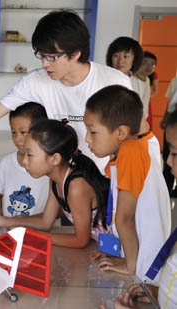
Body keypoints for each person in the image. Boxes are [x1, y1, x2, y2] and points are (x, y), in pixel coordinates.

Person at [0, 10, 135, 173]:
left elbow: (134, 138)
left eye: (52, 57)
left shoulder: (114, 82)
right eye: (41, 55)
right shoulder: (38, 81)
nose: (45, 63)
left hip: (111, 179)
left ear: (75, 53)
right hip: (68, 181)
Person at [0, 119, 109, 249]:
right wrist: (4, 221)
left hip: (116, 248)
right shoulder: (56, 180)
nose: (24, 161)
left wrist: (31, 236)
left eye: (30, 155)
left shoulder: (76, 186)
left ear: (55, 158)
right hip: (103, 245)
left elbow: (81, 241)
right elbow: (45, 221)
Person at [85, 85, 171, 281]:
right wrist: (115, 250)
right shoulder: (133, 149)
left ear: (121, 132)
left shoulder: (131, 152)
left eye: (93, 132)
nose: (87, 139)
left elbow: (125, 218)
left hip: (144, 268)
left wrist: (129, 265)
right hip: (137, 257)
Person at [100, 108, 177, 309]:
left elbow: (124, 218)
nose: (168, 162)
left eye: (175, 153)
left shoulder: (132, 151)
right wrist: (160, 293)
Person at [0, 102, 49, 217]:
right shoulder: (6, 163)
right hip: (10, 231)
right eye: (13, 132)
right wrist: (3, 223)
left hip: (40, 232)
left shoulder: (50, 165)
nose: (17, 138)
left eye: (23, 132)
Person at [106, 37, 150, 122]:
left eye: (126, 56)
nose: (120, 61)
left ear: (134, 59)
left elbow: (143, 115)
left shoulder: (142, 86)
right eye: (116, 56)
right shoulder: (101, 80)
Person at [162, 76, 177, 195]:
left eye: (175, 154)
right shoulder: (175, 81)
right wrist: (165, 117)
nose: (168, 161)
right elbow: (170, 102)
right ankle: (167, 186)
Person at [136, 51, 158, 129]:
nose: (148, 67)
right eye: (144, 63)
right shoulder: (130, 79)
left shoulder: (147, 81)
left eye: (152, 64)